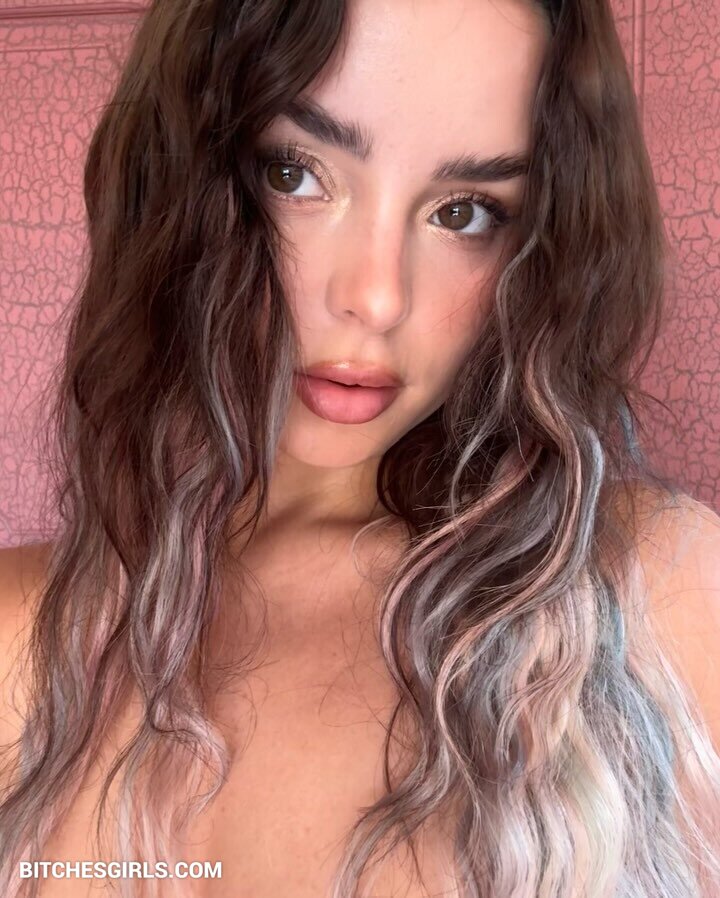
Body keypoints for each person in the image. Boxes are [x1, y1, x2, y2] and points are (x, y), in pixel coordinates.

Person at [0, 0, 719, 896]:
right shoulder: (21, 636)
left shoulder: (661, 600)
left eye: (465, 213)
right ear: (184, 177)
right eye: (296, 173)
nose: (377, 299)